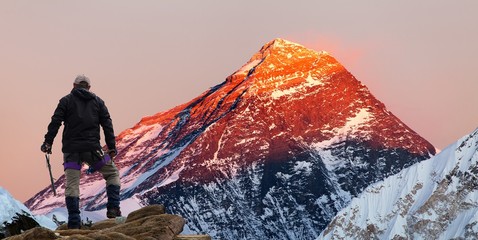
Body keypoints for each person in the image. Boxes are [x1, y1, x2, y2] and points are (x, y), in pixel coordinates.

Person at [40, 75, 121, 229]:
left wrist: (48, 142)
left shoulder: (66, 100)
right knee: (112, 174)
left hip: (71, 151)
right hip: (93, 150)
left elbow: (55, 122)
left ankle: (74, 222)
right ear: (89, 87)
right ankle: (113, 209)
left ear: (74, 85)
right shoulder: (98, 102)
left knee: (72, 184)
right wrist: (111, 147)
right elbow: (107, 124)